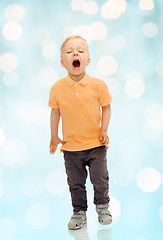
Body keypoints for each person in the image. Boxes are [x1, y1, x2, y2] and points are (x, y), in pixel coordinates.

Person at [48, 35, 113, 230]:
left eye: (80, 51)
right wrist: (53, 135)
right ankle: (79, 212)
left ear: (88, 60)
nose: (75, 53)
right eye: (69, 52)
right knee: (75, 183)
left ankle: (103, 207)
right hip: (71, 147)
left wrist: (104, 130)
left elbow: (107, 107)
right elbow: (55, 112)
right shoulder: (57, 88)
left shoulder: (98, 85)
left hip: (96, 145)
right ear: (63, 62)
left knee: (100, 178)